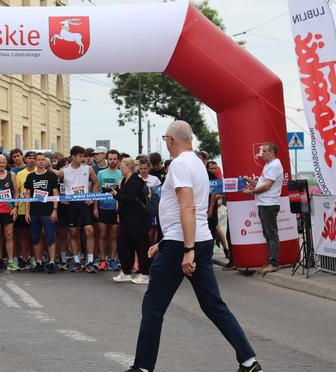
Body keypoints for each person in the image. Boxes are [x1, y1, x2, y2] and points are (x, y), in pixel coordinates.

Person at [127, 121, 261, 372]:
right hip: (196, 240)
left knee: (153, 306)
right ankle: (249, 362)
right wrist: (164, 242)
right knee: (214, 305)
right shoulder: (198, 163)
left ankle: (142, 368)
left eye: (166, 138)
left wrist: (186, 250)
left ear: (170, 140)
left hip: (184, 245)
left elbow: (187, 206)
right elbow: (191, 211)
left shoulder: (178, 164)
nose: (166, 142)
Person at [57, 146, 100, 273]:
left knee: (90, 230)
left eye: (84, 156)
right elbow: (54, 184)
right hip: (71, 205)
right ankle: (76, 262)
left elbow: (96, 183)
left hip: (85, 203)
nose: (83, 159)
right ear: (73, 156)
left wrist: (92, 196)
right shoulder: (64, 171)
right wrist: (60, 196)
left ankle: (90, 261)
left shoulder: (88, 168)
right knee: (74, 232)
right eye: (80, 156)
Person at [243, 142, 283, 274]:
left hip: (269, 203)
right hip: (264, 203)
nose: (262, 154)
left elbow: (267, 186)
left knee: (271, 234)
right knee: (268, 234)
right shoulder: (269, 165)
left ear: (271, 152)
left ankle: (273, 263)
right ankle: (271, 261)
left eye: (264, 152)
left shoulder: (275, 165)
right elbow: (262, 183)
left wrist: (252, 192)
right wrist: (251, 181)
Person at [111, 158, 151, 284]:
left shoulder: (135, 180)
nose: (120, 169)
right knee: (123, 244)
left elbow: (129, 198)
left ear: (128, 167)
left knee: (141, 246)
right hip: (126, 218)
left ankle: (144, 274)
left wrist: (116, 194)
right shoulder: (123, 181)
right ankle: (126, 271)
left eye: (122, 167)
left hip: (138, 218)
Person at [24, 152, 60, 273]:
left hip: (48, 211)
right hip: (34, 212)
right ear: (35, 161)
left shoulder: (51, 176)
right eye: (38, 160)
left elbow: (56, 194)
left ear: (45, 161)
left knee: (50, 236)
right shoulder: (30, 177)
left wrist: (55, 210)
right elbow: (28, 195)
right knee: (35, 237)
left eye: (42, 159)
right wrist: (27, 212)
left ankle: (51, 262)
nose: (40, 161)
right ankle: (38, 262)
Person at [96, 150, 123, 272]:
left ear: (118, 160)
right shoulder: (101, 173)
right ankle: (102, 260)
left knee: (113, 235)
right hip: (102, 208)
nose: (112, 161)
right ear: (107, 159)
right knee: (102, 235)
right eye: (110, 159)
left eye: (114, 159)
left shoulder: (121, 174)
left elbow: (122, 193)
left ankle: (112, 259)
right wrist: (95, 208)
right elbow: (96, 191)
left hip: (115, 209)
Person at [14, 151, 37, 268]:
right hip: (23, 208)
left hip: (37, 208)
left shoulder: (40, 171)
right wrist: (16, 207)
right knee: (23, 235)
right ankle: (23, 257)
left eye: (34, 158)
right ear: (25, 159)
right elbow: (17, 192)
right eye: (29, 158)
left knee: (35, 235)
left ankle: (34, 257)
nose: (32, 160)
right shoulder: (20, 174)